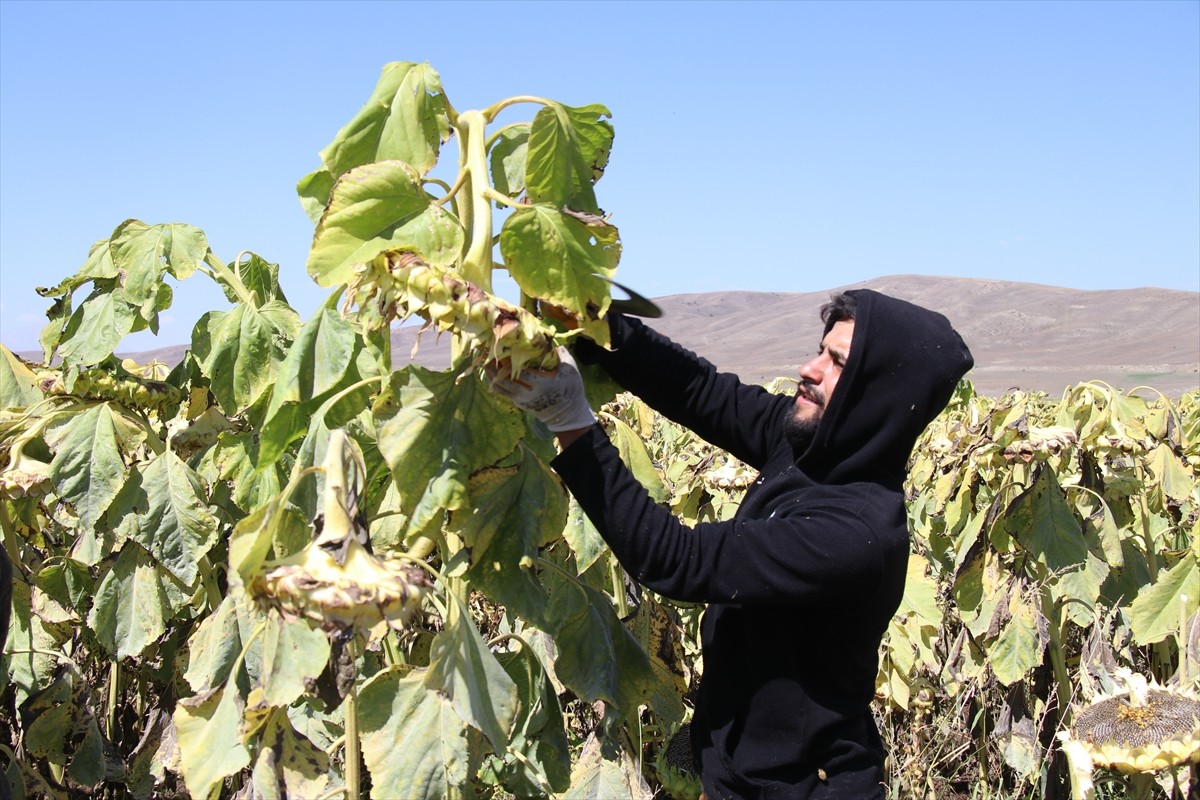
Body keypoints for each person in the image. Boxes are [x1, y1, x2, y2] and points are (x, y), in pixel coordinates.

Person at [490, 288, 973, 799]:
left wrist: (570, 421)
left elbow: (677, 559)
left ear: (878, 393)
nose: (808, 369)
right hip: (737, 775)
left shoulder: (857, 535)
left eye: (837, 363)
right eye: (820, 349)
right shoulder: (808, 444)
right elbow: (698, 390)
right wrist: (597, 325)